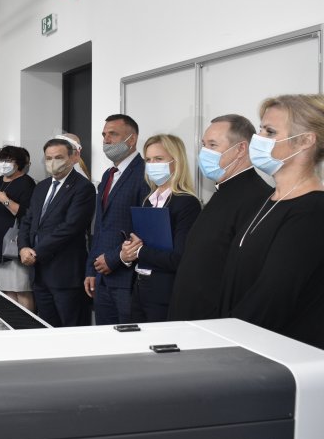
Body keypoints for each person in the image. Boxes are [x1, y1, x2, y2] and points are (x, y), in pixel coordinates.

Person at [221, 94, 324, 349]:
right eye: (260, 130)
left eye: (270, 131)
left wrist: (226, 340)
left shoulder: (313, 210)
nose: (258, 139)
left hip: (279, 352)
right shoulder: (271, 200)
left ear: (305, 141)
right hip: (243, 341)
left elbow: (273, 295)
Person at [168, 115, 272, 320]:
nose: (204, 152)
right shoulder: (223, 190)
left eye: (213, 145)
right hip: (190, 315)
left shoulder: (257, 197)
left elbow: (243, 273)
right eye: (203, 145)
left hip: (214, 320)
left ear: (241, 149)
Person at [120, 134, 201, 322]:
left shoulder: (187, 203)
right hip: (140, 289)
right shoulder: (148, 201)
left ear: (176, 162)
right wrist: (128, 252)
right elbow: (141, 245)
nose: (152, 164)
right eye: (148, 160)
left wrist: (140, 251)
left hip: (165, 293)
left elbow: (179, 258)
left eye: (159, 159)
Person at [18, 138, 96, 326]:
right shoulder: (41, 187)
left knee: (72, 330)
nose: (53, 162)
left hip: (66, 275)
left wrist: (35, 252)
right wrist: (23, 248)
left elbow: (70, 227)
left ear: (73, 158)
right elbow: (28, 220)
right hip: (40, 274)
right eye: (48, 158)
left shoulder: (83, 187)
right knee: (48, 327)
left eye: (59, 157)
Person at [84, 114, 150, 325]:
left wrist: (113, 259)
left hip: (127, 277)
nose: (106, 140)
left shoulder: (145, 173)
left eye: (113, 134)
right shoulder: (108, 175)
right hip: (102, 276)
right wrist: (92, 269)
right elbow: (100, 227)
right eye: (104, 135)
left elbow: (144, 230)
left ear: (131, 139)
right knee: (105, 335)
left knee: (129, 335)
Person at [0, 146, 37, 310]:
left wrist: (6, 200)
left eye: (8, 160)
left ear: (19, 163)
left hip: (15, 244)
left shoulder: (26, 182)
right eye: (1, 160)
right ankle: (15, 322)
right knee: (7, 290)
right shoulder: (0, 181)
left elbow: (26, 213)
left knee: (21, 290)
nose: (3, 164)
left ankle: (28, 323)